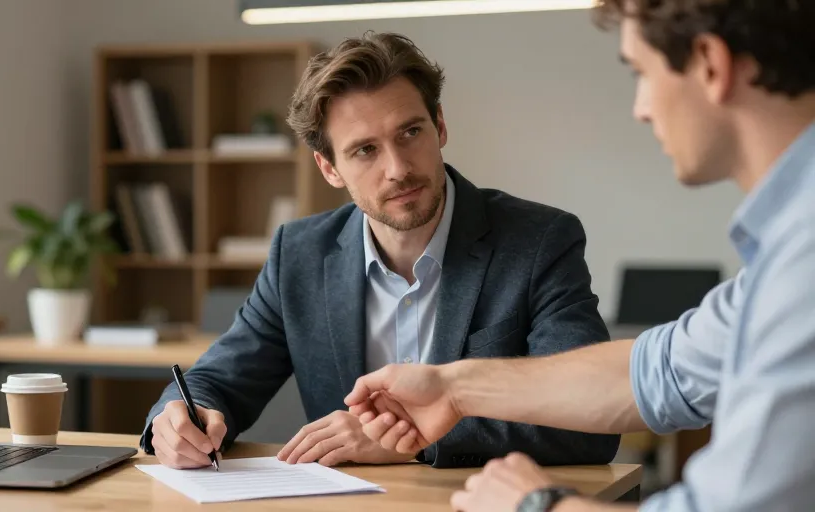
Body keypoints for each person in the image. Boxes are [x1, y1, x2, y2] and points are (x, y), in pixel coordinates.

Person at [345, 1, 815, 511]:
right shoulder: (786, 248)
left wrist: (538, 504)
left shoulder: (804, 261)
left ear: (709, 63)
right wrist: (453, 389)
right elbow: (660, 371)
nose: (641, 107)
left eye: (641, 71)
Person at [139, 31, 619, 470]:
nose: (397, 168)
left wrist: (414, 440)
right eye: (365, 150)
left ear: (440, 127)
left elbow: (589, 414)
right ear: (328, 168)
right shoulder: (300, 254)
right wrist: (177, 419)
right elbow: (219, 379)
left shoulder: (539, 241)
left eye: (411, 133)